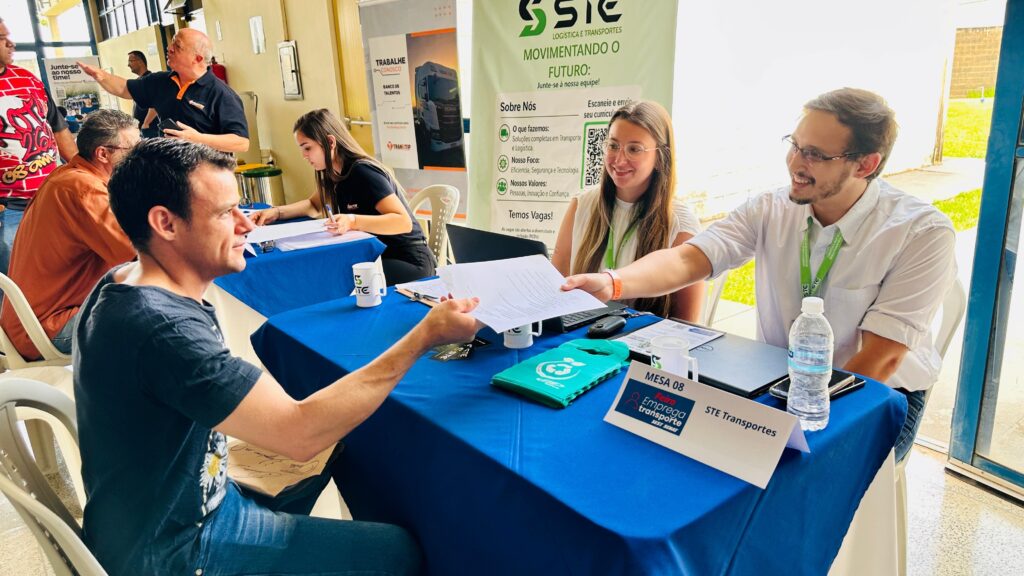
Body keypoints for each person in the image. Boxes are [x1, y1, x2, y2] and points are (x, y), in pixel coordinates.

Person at [74, 137, 481, 575]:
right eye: (224, 213)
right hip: (180, 549)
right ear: (165, 224)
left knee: (341, 453)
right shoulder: (163, 328)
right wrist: (425, 336)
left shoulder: (120, 281)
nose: (245, 225)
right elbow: (300, 434)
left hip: (153, 515)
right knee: (397, 550)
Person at [564, 88, 957, 463]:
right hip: (781, 379)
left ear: (866, 164)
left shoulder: (921, 233)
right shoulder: (771, 207)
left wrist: (796, 431)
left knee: (784, 479)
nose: (795, 163)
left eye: (815, 154)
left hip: (880, 396)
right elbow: (688, 260)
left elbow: (880, 360)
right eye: (794, 145)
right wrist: (614, 282)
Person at [0, 110, 138, 359]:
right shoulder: (83, 189)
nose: (140, 157)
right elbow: (137, 254)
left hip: (32, 322)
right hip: (49, 326)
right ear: (103, 153)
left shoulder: (69, 176)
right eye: (133, 150)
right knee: (159, 316)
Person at [552, 100, 704, 321]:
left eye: (634, 149)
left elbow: (687, 324)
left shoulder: (681, 225)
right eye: (613, 146)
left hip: (642, 351)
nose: (619, 160)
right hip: (578, 343)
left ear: (660, 159)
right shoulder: (582, 205)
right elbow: (556, 286)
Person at [252, 108, 436, 284]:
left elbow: (402, 222)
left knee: (333, 276)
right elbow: (314, 205)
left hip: (409, 261)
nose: (304, 155)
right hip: (377, 256)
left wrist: (352, 221)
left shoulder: (363, 173)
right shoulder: (334, 173)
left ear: (330, 142)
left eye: (307, 148)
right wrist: (275, 213)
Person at [77, 28, 248, 153]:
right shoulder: (160, 81)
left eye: (178, 46)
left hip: (208, 177)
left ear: (197, 58)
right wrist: (100, 75)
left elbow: (241, 142)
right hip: (169, 171)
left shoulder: (221, 94)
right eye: (172, 42)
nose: (170, 48)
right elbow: (124, 88)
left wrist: (196, 139)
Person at [0, 15, 79, 275]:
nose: (11, 44)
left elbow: (59, 130)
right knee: (15, 283)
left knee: (60, 271)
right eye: (3, 38)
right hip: (8, 208)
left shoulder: (29, 80)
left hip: (48, 196)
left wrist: (83, 171)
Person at [127, 49, 158, 138]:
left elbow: (155, 103)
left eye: (131, 61)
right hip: (142, 128)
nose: (128, 65)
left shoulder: (150, 79)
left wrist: (146, 123)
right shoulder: (139, 81)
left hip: (150, 128)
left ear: (140, 62)